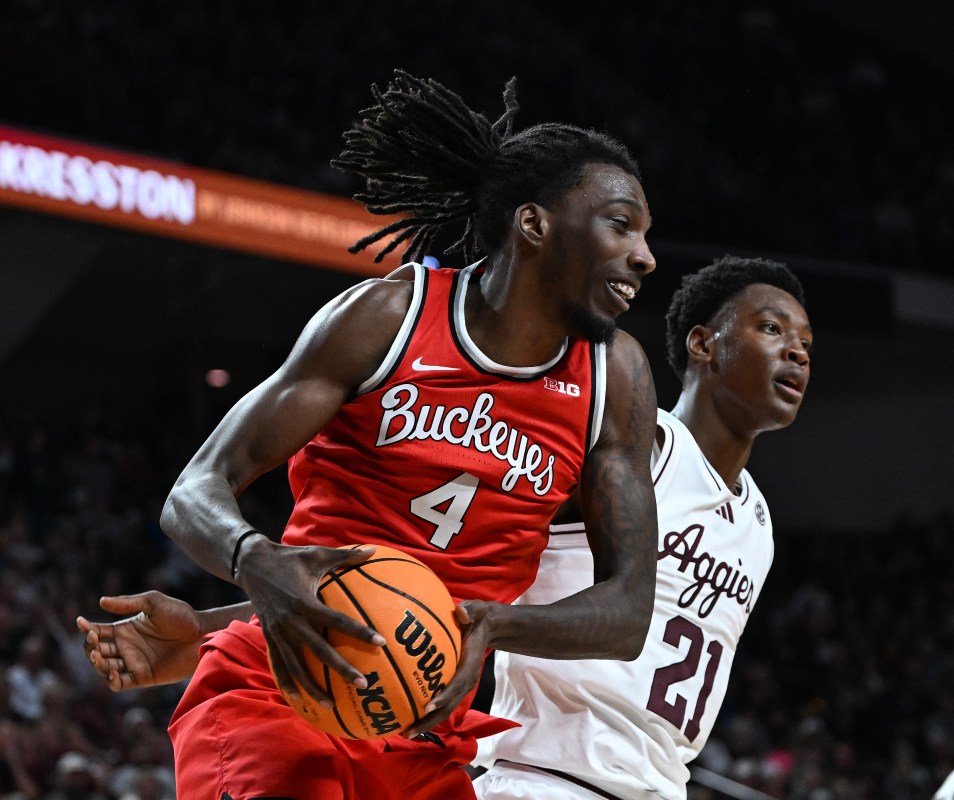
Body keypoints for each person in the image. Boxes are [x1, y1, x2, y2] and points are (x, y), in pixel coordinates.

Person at [78, 70, 661, 800]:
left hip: (422, 726)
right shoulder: (387, 319)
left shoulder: (616, 378)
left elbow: (629, 610)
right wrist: (255, 559)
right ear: (534, 224)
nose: (645, 256)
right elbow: (198, 486)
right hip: (278, 691)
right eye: (621, 224)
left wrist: (483, 623)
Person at [472, 255, 812, 799]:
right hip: (546, 777)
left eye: (806, 344)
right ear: (703, 345)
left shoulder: (759, 520)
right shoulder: (639, 448)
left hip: (658, 786)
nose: (797, 351)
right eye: (772, 328)